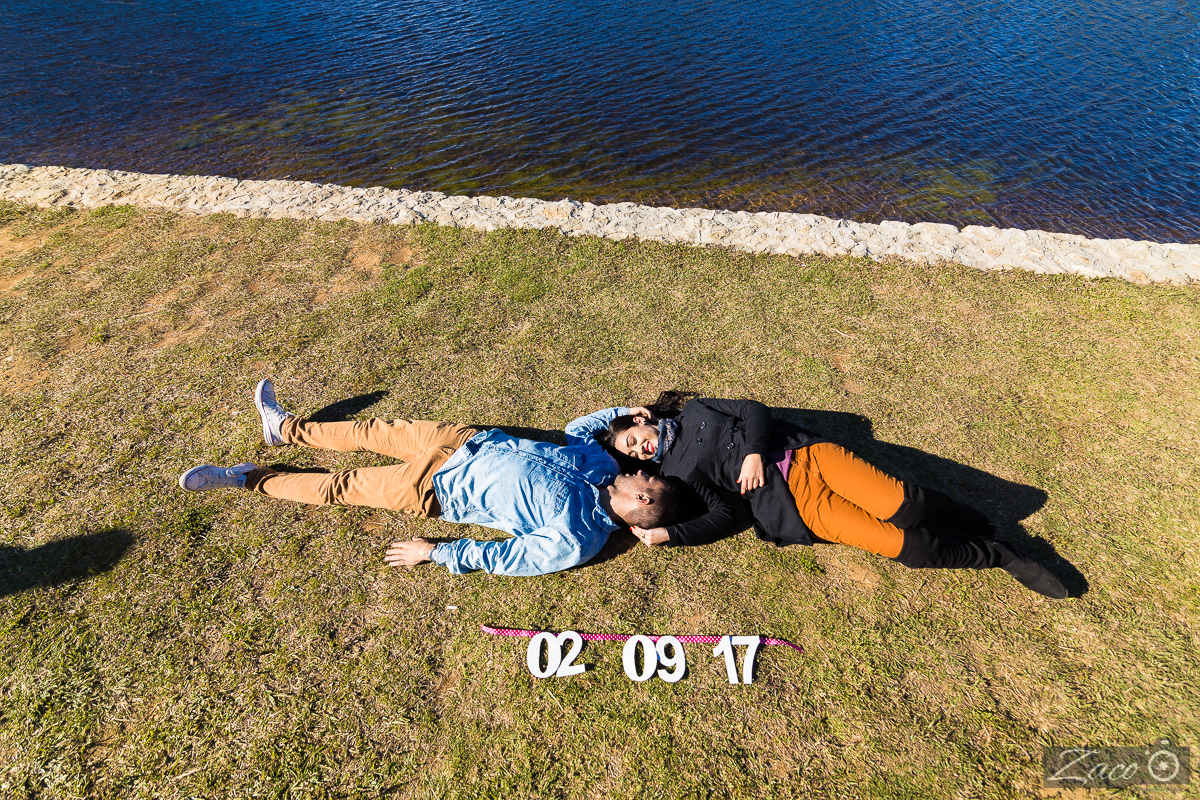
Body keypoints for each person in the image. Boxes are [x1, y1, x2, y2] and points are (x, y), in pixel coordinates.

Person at [176, 381, 700, 577]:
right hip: (464, 440)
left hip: (434, 489)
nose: (641, 470)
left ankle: (248, 479)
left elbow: (507, 559)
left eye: (647, 481)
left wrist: (435, 552)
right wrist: (623, 413)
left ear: (640, 505)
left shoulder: (576, 538)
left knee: (340, 487)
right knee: (370, 430)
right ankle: (286, 429)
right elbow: (578, 430)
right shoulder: (606, 467)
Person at [575, 391, 1068, 599]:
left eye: (633, 438)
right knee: (907, 548)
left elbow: (754, 410)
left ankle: (964, 516)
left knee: (906, 506)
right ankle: (1000, 555)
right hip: (795, 504)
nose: (639, 450)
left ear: (642, 419)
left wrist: (753, 453)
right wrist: (672, 534)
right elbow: (725, 514)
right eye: (631, 454)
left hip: (807, 458)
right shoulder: (675, 474)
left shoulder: (700, 410)